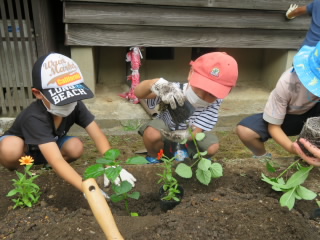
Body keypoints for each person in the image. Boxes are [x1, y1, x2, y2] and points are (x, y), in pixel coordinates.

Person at [0, 53, 136, 195]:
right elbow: (56, 159)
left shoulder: (76, 105)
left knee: (75, 147)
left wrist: (111, 165)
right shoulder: (34, 117)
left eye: (71, 97)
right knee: (11, 148)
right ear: (38, 93)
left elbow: (98, 135)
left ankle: (49, 171)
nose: (68, 103)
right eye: (60, 99)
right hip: (24, 150)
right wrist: (87, 188)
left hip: (49, 147)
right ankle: (23, 176)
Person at [134, 52, 238, 163]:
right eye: (200, 88)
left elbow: (196, 131)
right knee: (152, 132)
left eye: (211, 94)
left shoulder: (215, 103)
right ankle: (155, 156)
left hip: (189, 139)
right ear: (190, 73)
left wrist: (182, 136)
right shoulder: (172, 90)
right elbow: (139, 93)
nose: (201, 97)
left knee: (212, 146)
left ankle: (193, 160)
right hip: (163, 135)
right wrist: (153, 83)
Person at [236, 41, 320, 166]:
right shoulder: (287, 83)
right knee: (245, 131)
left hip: (315, 113)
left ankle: (311, 157)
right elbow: (274, 127)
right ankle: (262, 158)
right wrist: (292, 148)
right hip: (289, 117)